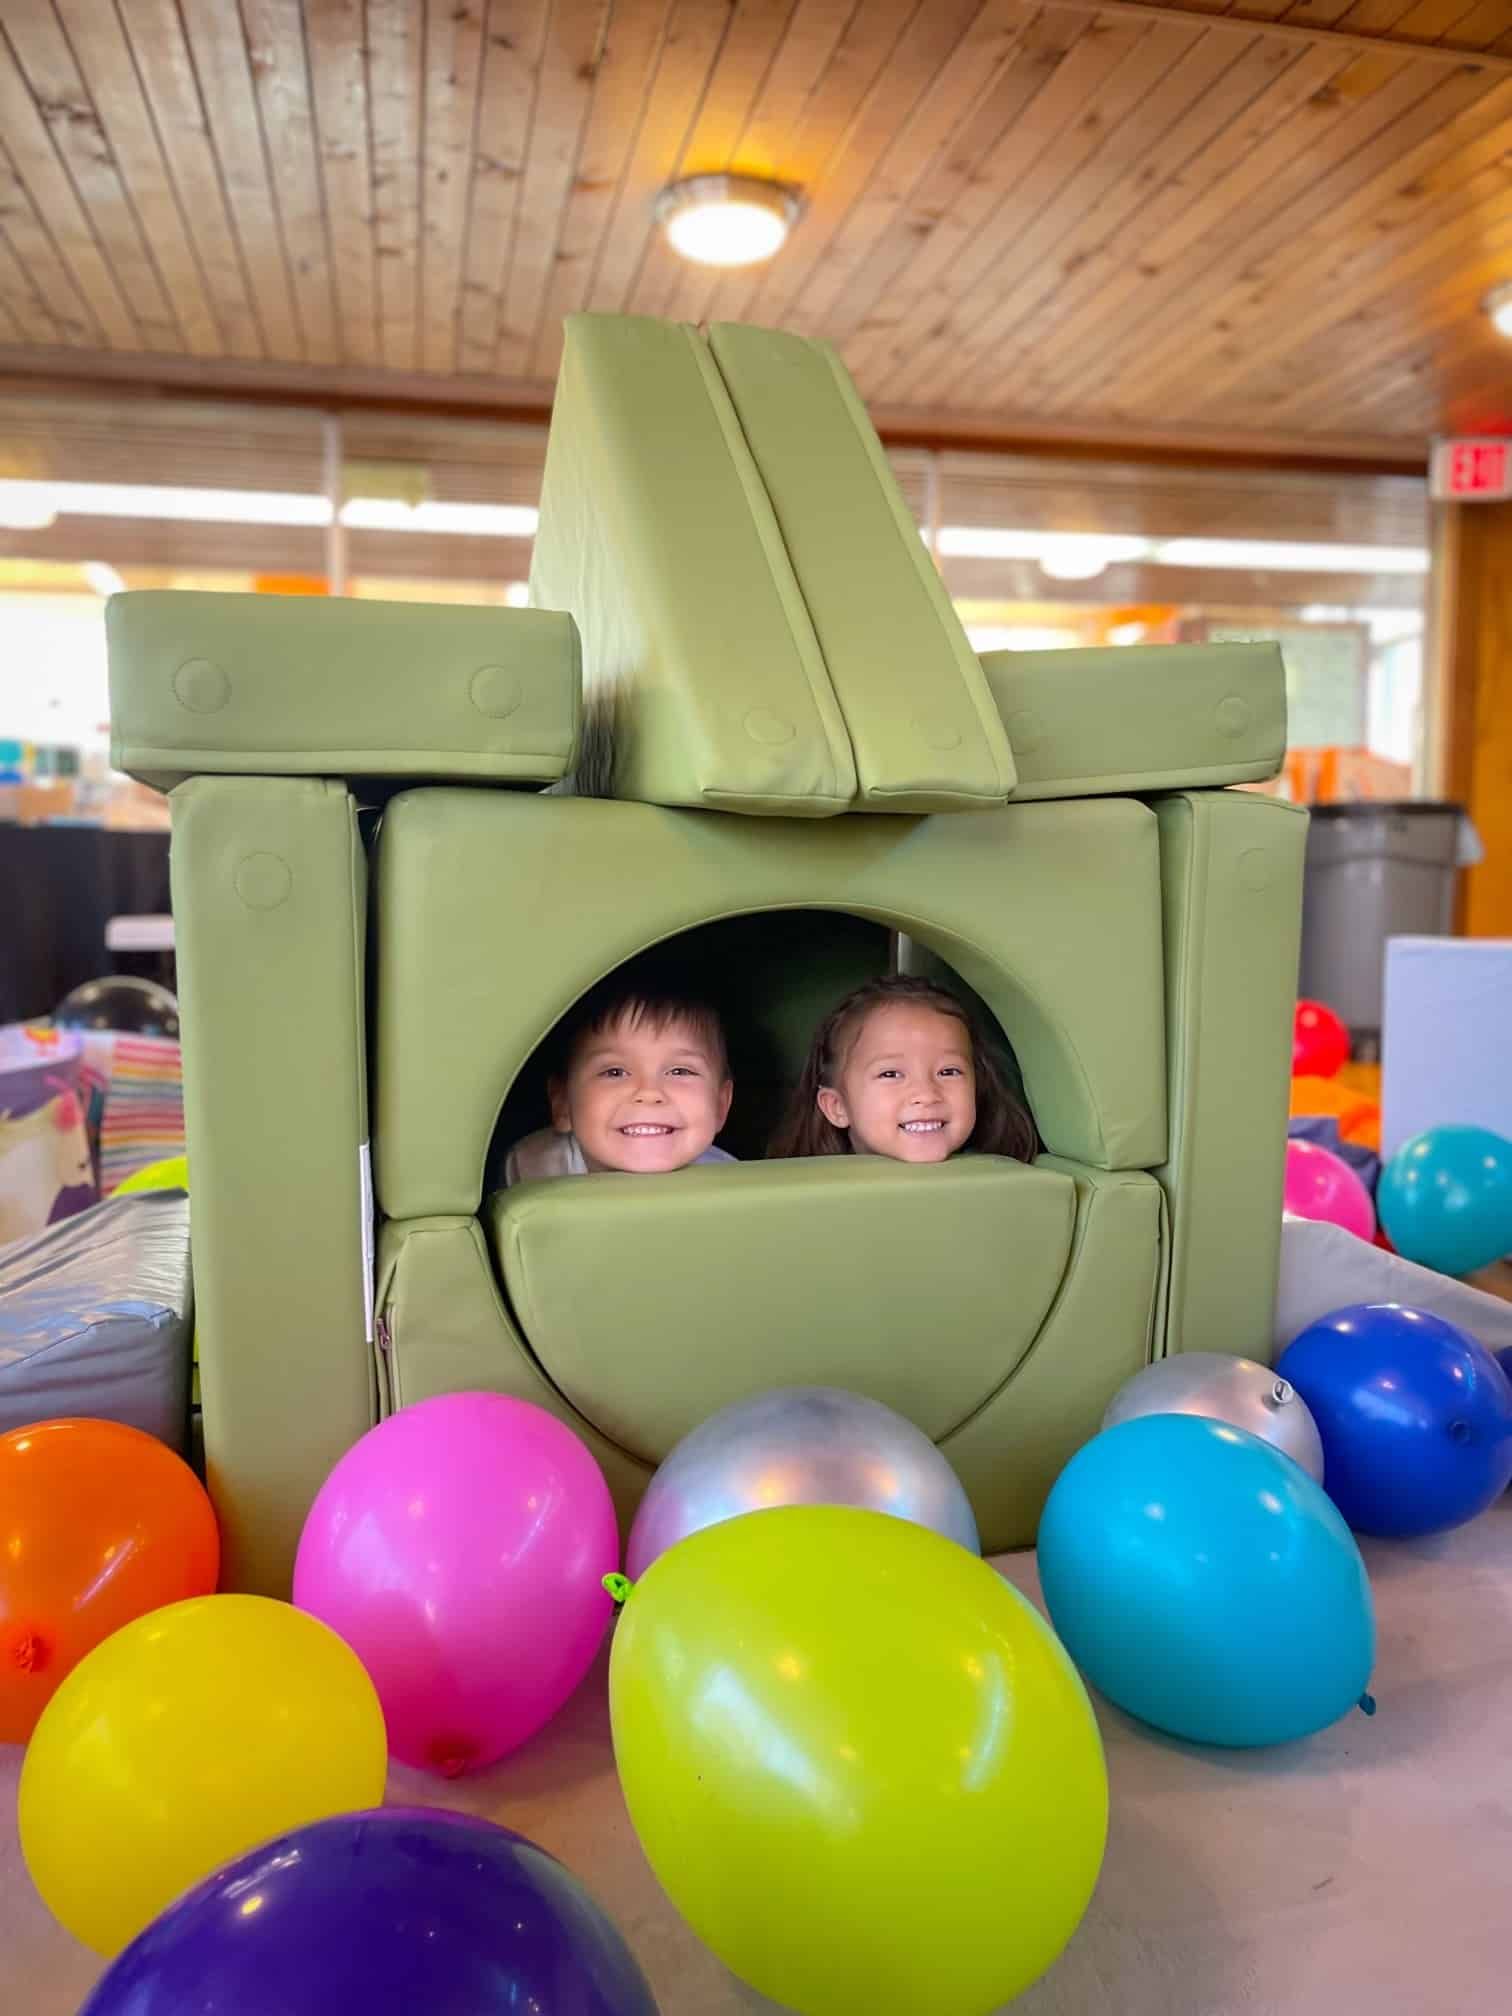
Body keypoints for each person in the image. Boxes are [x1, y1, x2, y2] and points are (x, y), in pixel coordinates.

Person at [770, 973, 1037, 1164]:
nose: (927, 1093)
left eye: (948, 1071)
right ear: (838, 1107)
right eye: (891, 1074)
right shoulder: (805, 1197)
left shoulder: (1001, 1182)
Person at [503, 972, 736, 1184]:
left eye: (680, 1071)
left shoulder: (731, 1184)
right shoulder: (533, 1169)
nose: (649, 1093)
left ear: (720, 1106)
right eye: (615, 1072)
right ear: (563, 1104)